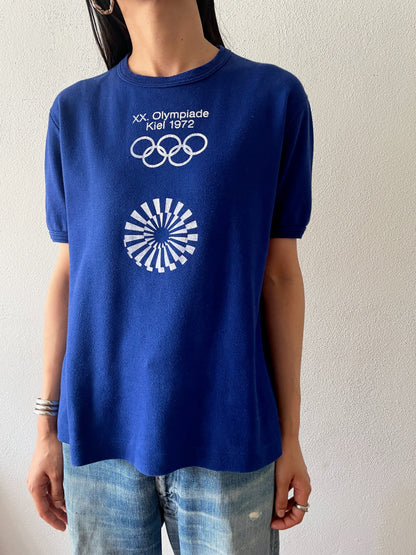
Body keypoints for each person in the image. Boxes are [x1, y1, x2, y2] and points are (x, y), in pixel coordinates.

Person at [26, 0, 313, 553]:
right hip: (99, 441)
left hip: (230, 436)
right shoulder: (75, 114)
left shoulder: (273, 100)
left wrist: (290, 435)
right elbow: (68, 277)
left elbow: (279, 277)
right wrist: (44, 428)